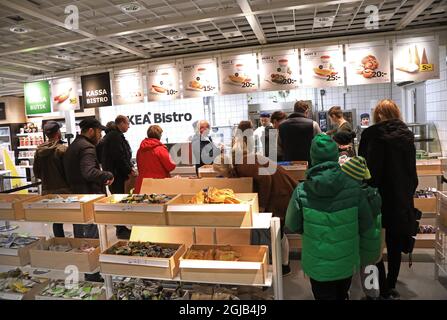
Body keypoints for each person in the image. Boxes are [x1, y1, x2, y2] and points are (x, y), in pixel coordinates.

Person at [285, 134, 373, 300]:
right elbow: (366, 223)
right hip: (346, 260)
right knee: (342, 293)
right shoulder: (353, 187)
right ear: (335, 156)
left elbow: (292, 224)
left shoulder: (302, 190)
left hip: (317, 262)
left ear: (312, 158)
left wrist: (310, 230)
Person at [214, 120, 297, 275]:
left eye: (224, 175)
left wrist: (262, 206)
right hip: (282, 189)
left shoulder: (243, 165)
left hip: (281, 193)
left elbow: (265, 180)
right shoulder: (244, 162)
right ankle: (282, 265)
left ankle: (282, 266)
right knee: (277, 232)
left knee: (276, 232)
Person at [359, 99, 419, 300]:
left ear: (378, 114)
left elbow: (363, 168)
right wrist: (407, 192)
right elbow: (412, 171)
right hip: (400, 198)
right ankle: (391, 284)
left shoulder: (370, 134)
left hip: (375, 197)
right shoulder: (407, 135)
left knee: (372, 244)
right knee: (395, 243)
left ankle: (377, 287)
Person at [339, 156, 383, 300]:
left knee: (356, 279)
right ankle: (373, 296)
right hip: (372, 243)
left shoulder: (352, 197)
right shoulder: (374, 194)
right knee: (370, 272)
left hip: (358, 245)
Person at [64, 118, 114, 239]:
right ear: (91, 131)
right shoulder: (87, 147)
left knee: (80, 235)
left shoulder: (73, 146)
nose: (100, 135)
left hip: (76, 196)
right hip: (89, 196)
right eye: (99, 132)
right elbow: (89, 172)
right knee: (92, 238)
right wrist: (107, 175)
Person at [100, 115, 135, 240]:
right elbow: (119, 157)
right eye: (127, 123)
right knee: (119, 201)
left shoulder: (112, 136)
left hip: (115, 173)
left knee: (120, 200)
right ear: (120, 123)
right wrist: (128, 170)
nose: (129, 126)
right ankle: (120, 229)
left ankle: (121, 227)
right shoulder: (114, 137)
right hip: (117, 175)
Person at [33, 121, 70, 238]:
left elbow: (37, 172)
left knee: (56, 220)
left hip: (47, 191)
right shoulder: (62, 150)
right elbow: (69, 172)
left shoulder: (39, 151)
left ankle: (59, 242)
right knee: (75, 218)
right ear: (58, 132)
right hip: (65, 190)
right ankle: (78, 245)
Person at [135, 125, 176, 193]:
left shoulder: (140, 150)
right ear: (159, 135)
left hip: (143, 184)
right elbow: (170, 166)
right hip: (158, 184)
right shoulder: (160, 149)